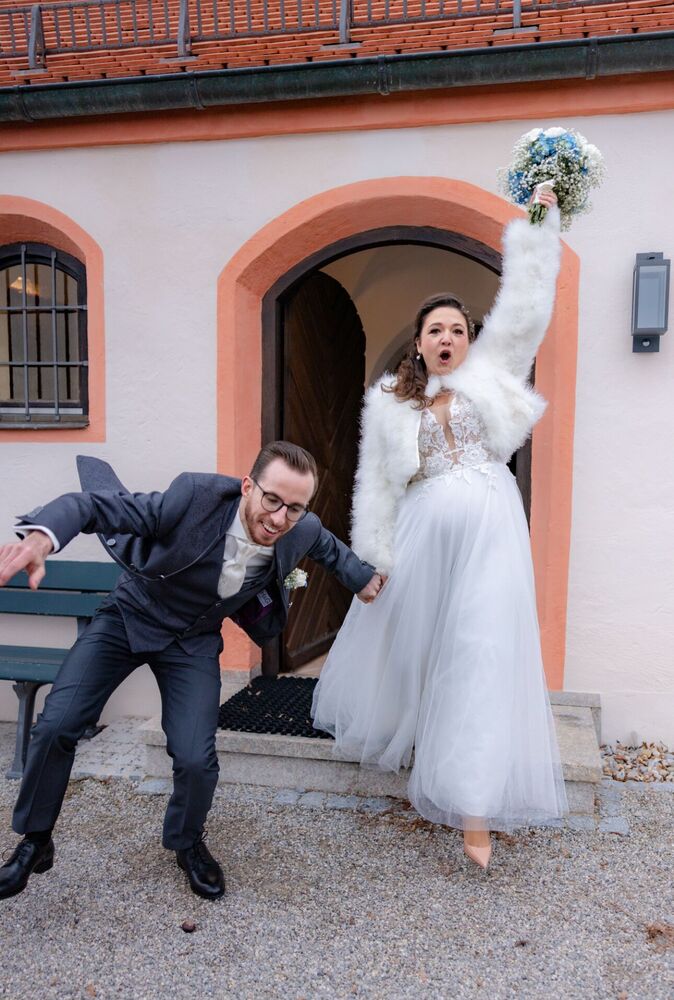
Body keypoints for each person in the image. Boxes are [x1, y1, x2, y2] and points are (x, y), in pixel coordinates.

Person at [0, 441, 384, 901]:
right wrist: (43, 537)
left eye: (295, 508)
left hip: (193, 640)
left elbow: (328, 548)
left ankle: (187, 843)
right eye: (272, 500)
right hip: (129, 616)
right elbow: (94, 506)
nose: (280, 518)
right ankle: (36, 840)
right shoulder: (194, 497)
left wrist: (364, 580)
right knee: (56, 725)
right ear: (248, 487)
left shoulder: (301, 528)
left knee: (196, 758)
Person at [312, 191, 568, 869]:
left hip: (490, 531)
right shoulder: (390, 404)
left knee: (480, 651)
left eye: (457, 328)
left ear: (469, 339)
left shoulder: (490, 374)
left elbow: (525, 308)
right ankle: (432, 750)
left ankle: (473, 810)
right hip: (424, 538)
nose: (447, 338)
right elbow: (376, 485)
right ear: (419, 342)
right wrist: (370, 562)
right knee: (425, 654)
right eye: (435, 330)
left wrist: (540, 225)